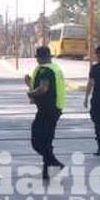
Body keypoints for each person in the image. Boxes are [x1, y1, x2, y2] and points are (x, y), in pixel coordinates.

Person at [25, 46, 66, 179]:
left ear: (41, 57)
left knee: (37, 141)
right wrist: (29, 83)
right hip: (53, 109)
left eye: (37, 57)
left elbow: (43, 89)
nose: (36, 60)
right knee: (46, 141)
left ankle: (54, 163)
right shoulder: (53, 68)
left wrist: (30, 93)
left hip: (48, 110)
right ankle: (47, 171)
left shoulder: (46, 71)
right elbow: (43, 87)